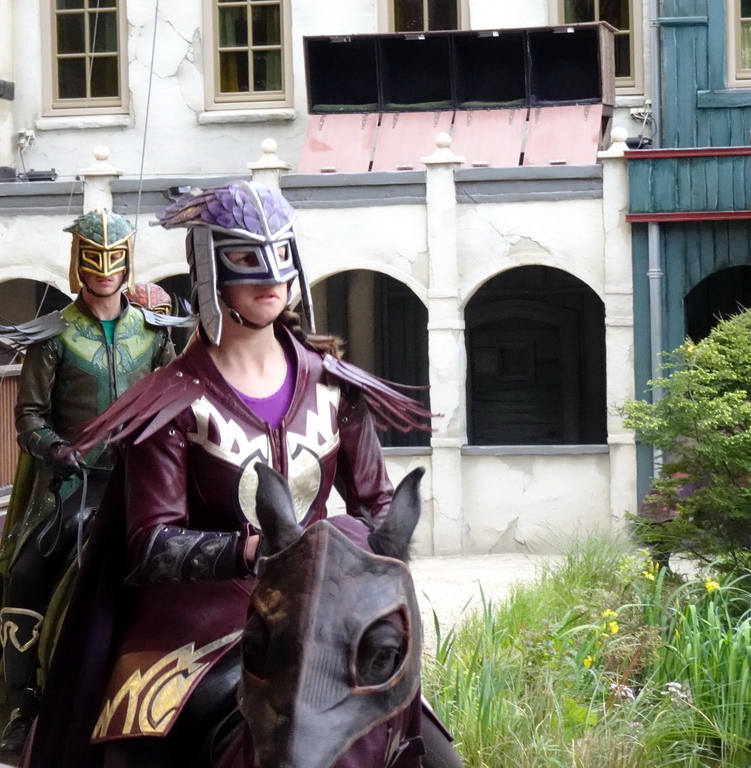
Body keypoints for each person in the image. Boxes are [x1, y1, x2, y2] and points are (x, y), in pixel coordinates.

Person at [26, 181, 459, 768]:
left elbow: (375, 501)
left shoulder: (336, 386)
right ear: (210, 270)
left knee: (433, 751)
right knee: (132, 745)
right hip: (197, 623)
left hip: (323, 616)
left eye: (279, 261)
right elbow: (149, 544)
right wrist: (247, 552)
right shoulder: (171, 404)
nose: (272, 281)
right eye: (248, 263)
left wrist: (367, 556)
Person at [0, 209, 178, 763]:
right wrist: (58, 450)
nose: (105, 271)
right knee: (27, 572)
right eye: (94, 259)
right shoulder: (53, 336)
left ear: (126, 261)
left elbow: (174, 403)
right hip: (74, 485)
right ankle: (22, 702)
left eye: (114, 259)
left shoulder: (155, 334)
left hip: (143, 480)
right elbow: (29, 417)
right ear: (79, 263)